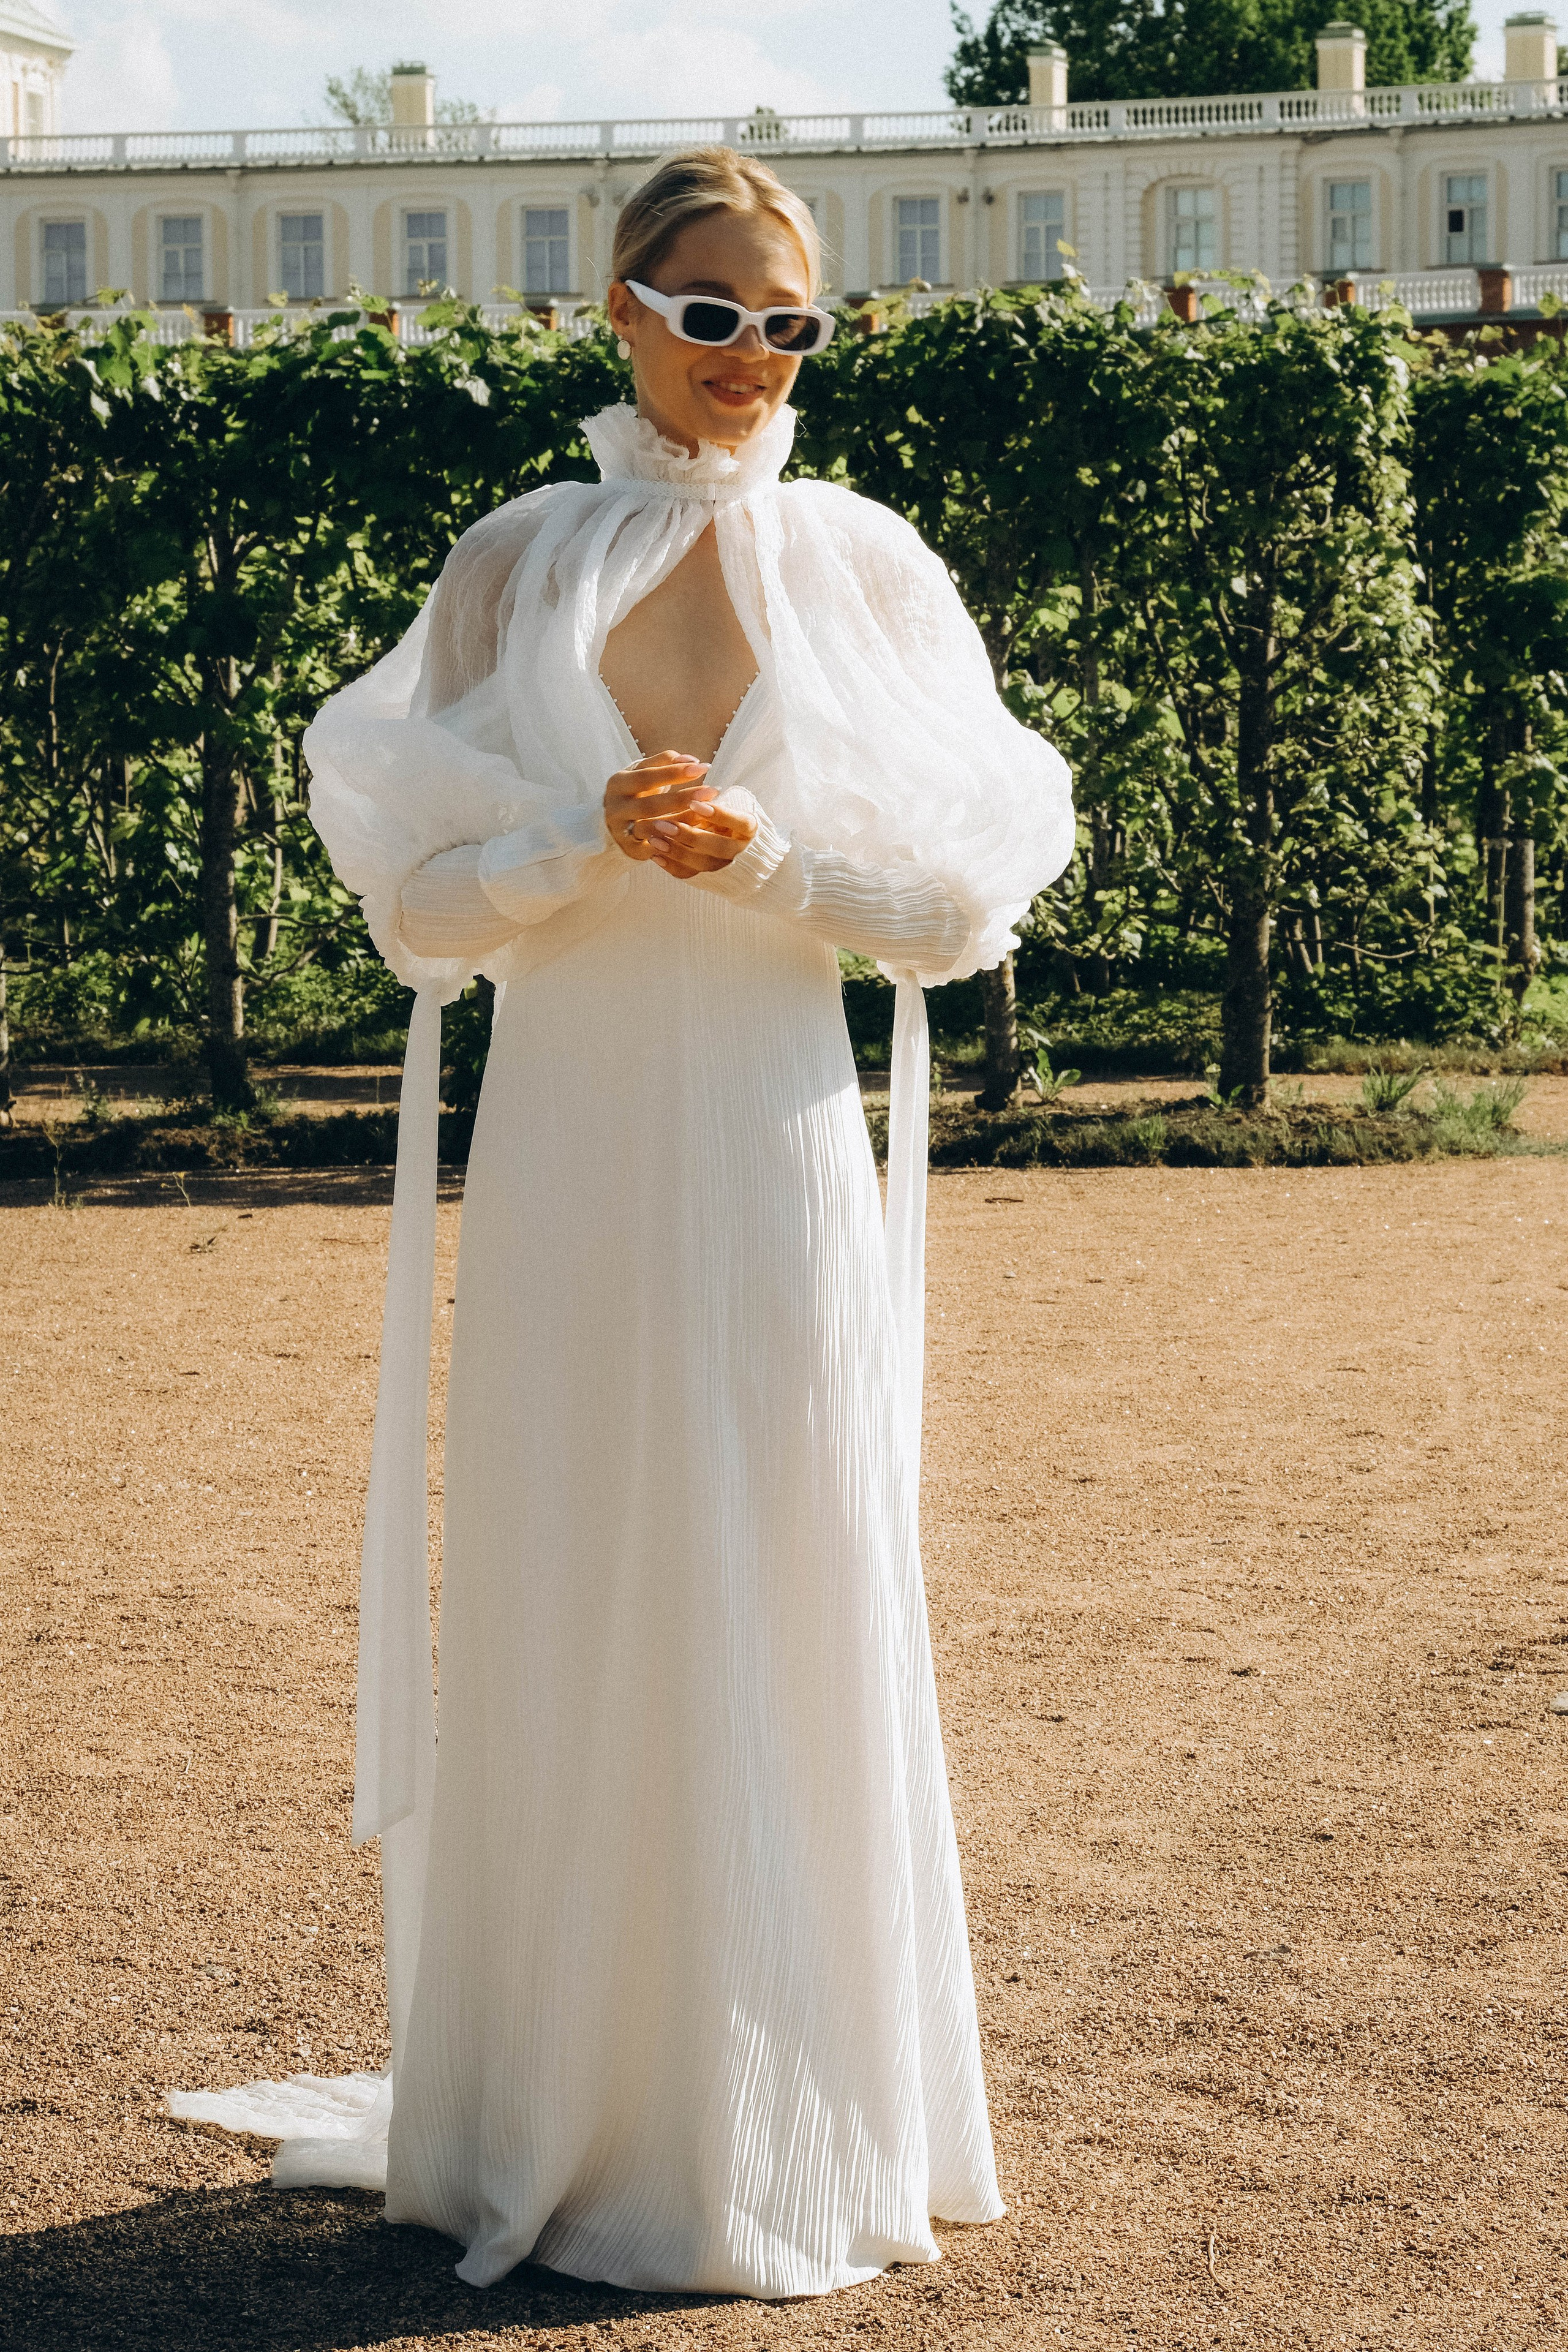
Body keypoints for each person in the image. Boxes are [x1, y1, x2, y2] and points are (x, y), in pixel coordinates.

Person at [171, 146, 1073, 2299]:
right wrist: (580, 833)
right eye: (711, 312)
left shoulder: (866, 567)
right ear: (620, 310)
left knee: (781, 1552)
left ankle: (783, 2125)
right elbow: (413, 905)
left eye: (792, 323)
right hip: (571, 1136)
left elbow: (963, 906)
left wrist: (764, 858)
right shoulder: (516, 563)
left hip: (771, 1142)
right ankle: (556, 2114)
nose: (753, 358)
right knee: (574, 1563)